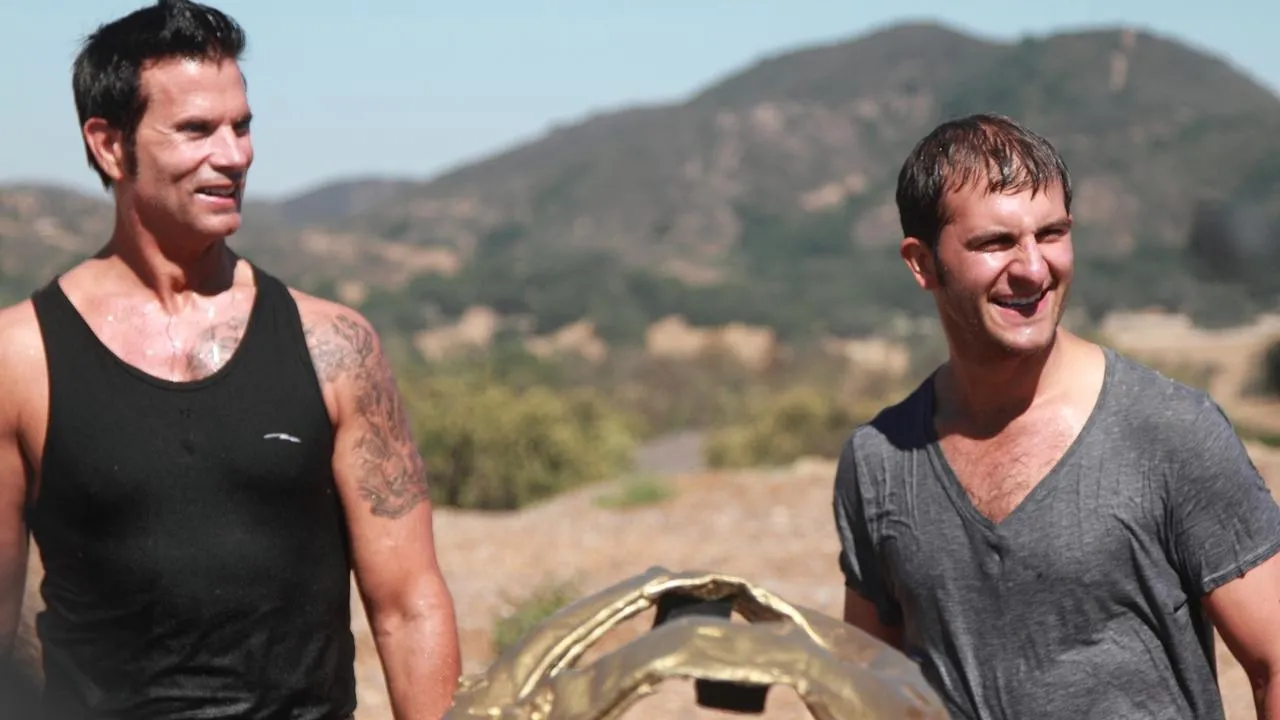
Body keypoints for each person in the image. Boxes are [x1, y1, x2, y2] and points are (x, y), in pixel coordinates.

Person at [0, 1, 461, 718]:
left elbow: (409, 603)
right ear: (109, 145)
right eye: (196, 130)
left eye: (241, 126)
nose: (234, 155)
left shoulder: (334, 346)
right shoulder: (20, 358)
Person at [832, 113, 1280, 719]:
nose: (1033, 268)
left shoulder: (1171, 432)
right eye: (995, 243)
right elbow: (868, 692)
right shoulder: (879, 460)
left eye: (1051, 234)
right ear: (923, 263)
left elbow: (1275, 662)